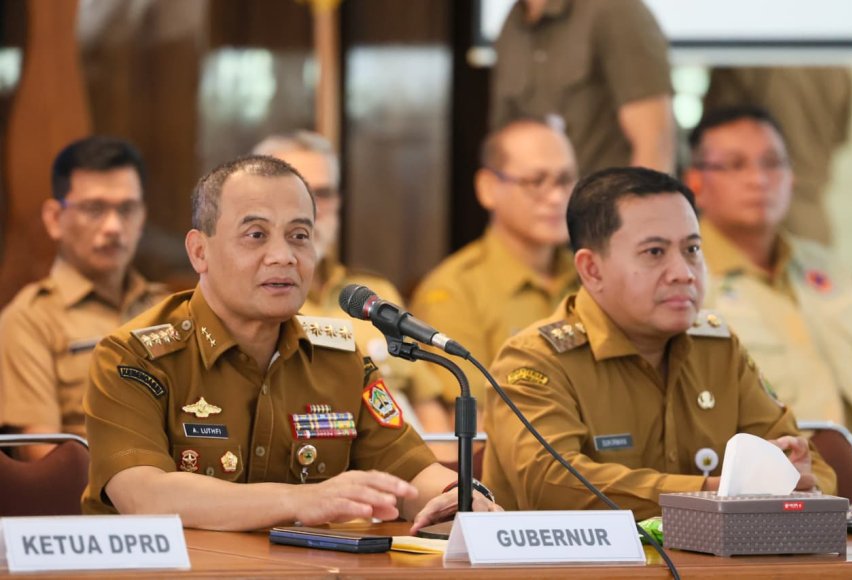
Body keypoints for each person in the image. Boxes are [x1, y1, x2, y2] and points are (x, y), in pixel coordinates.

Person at [82, 155, 499, 531]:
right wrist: (302, 500)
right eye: (256, 235)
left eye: (299, 236)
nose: (283, 256)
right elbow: (144, 497)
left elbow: (408, 472)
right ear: (199, 252)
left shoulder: (339, 359)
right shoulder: (133, 357)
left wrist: (459, 498)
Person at [483, 166, 836, 518]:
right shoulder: (535, 361)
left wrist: (802, 484)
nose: (683, 272)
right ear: (592, 269)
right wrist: (718, 494)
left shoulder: (718, 349)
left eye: (692, 248)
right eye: (655, 252)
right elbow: (553, 485)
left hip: (712, 569)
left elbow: (808, 465)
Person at [684, 105, 852, 462]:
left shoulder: (825, 264)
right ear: (696, 182)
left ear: (792, 176)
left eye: (772, 163)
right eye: (736, 165)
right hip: (789, 483)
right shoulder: (688, 282)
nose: (759, 179)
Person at [252, 132, 450, 433]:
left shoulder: (373, 292)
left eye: (324, 194)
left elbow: (425, 401)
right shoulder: (254, 300)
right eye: (297, 193)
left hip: (413, 460)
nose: (312, 211)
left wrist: (446, 472)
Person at [0, 136, 164, 459]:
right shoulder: (29, 320)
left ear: (142, 216)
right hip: (88, 503)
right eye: (94, 209)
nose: (114, 227)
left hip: (182, 497)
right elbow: (42, 460)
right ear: (54, 219)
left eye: (127, 209)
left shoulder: (167, 308)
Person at [411, 118, 579, 407]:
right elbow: (470, 418)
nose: (557, 197)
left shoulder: (591, 276)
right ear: (488, 188)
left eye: (565, 180)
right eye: (536, 181)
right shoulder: (455, 290)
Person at [490, 0, 675, 176]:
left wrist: (635, 209)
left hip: (604, 204)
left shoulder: (615, 9)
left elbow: (655, 145)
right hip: (543, 206)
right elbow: (503, 148)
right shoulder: (512, 25)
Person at [703, 67, 852, 245]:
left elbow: (715, 131)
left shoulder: (748, 58)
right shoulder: (839, 68)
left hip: (760, 215)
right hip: (812, 217)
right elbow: (840, 137)